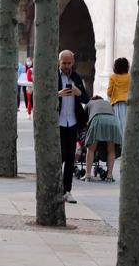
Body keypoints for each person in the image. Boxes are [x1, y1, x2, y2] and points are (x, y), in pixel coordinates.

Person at [57, 50, 90, 204]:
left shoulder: (76, 77)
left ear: (73, 62)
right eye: (64, 63)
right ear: (59, 61)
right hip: (57, 122)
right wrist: (58, 94)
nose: (66, 66)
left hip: (72, 122)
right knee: (60, 156)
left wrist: (77, 92)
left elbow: (86, 98)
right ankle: (56, 187)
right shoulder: (54, 76)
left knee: (70, 158)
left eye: (69, 63)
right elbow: (43, 95)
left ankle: (67, 191)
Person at [82, 96, 122, 182]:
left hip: (98, 119)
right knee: (111, 149)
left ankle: (88, 175)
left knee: (91, 148)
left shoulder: (90, 103)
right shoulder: (108, 103)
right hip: (113, 121)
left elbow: (83, 121)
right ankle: (109, 175)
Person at [107, 57, 130, 138]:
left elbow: (109, 92)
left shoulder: (113, 77)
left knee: (119, 125)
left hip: (117, 103)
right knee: (127, 125)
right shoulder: (130, 76)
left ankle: (120, 145)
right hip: (128, 103)